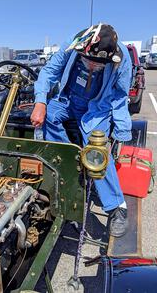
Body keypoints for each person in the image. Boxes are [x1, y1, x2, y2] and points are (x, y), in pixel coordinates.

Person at [30, 23, 132, 237]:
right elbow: (49, 72)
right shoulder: (71, 45)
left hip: (96, 109)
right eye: (89, 62)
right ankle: (70, 159)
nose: (93, 68)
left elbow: (120, 96)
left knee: (98, 151)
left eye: (99, 66)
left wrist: (122, 131)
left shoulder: (122, 60)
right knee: (48, 115)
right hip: (68, 101)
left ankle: (116, 208)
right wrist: (40, 102)